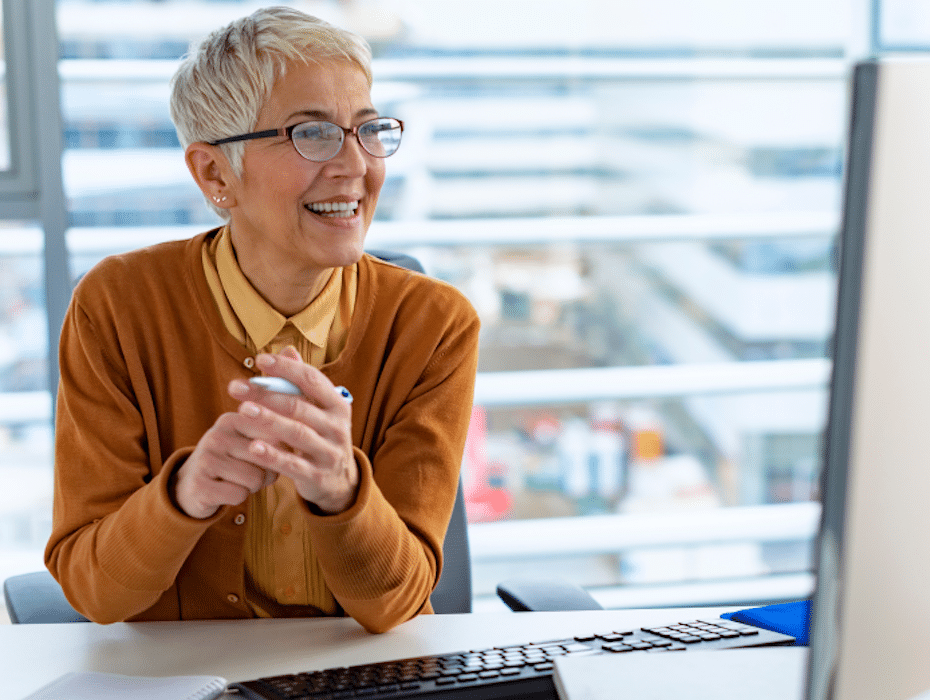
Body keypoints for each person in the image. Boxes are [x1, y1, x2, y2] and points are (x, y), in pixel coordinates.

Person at [45, 6, 479, 634]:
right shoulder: (117, 306)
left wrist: (340, 488)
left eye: (367, 130)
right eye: (312, 134)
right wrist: (182, 497)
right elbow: (94, 593)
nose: (355, 165)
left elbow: (397, 603)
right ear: (215, 173)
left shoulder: (433, 325)